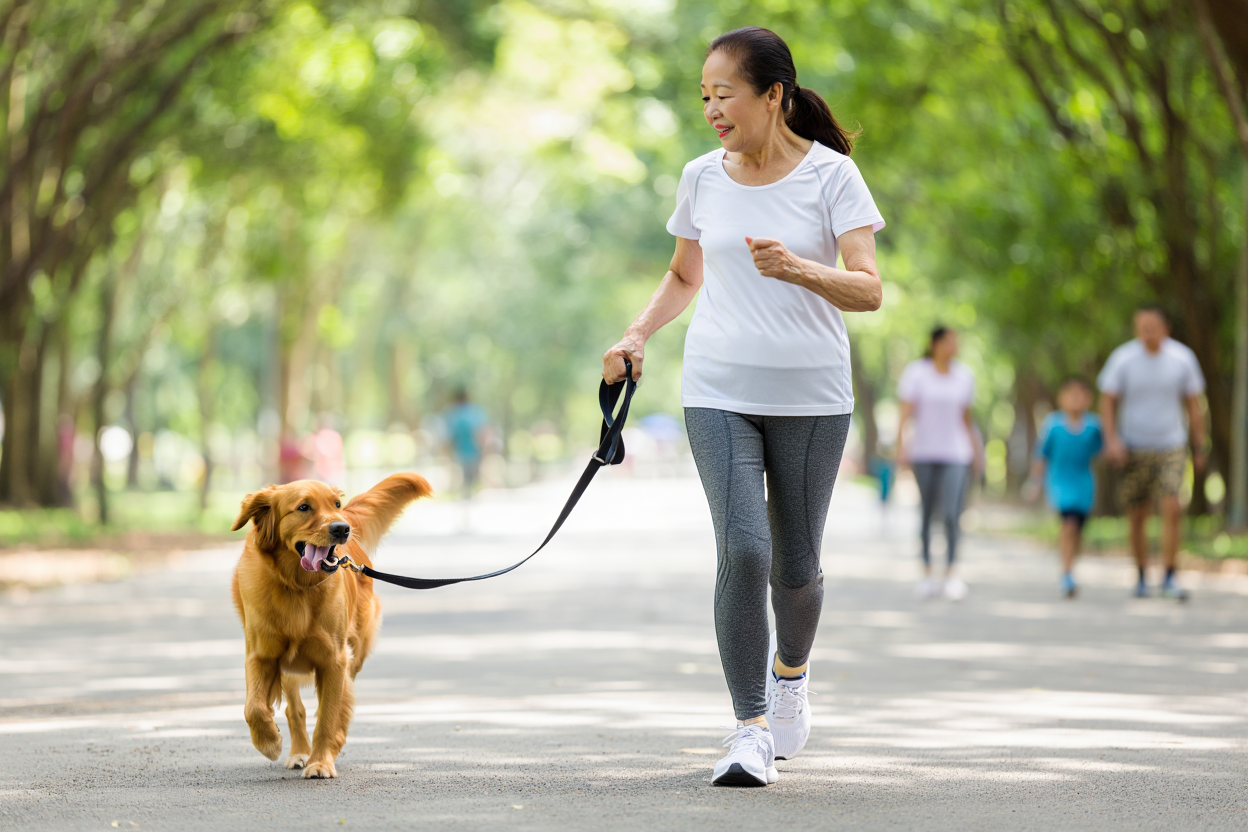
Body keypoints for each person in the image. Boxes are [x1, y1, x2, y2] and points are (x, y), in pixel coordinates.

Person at [602, 27, 884, 787]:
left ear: (774, 95)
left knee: (796, 566)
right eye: (705, 96)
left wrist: (799, 268)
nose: (712, 110)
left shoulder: (832, 176)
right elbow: (683, 274)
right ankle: (750, 728)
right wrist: (636, 334)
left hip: (812, 397)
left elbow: (869, 289)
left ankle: (791, 675)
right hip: (718, 390)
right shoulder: (702, 177)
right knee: (745, 549)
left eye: (724, 94)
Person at [1097, 306, 1206, 600]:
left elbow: (1194, 405)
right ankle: (1142, 575)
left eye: (1152, 327)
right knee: (1137, 514)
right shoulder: (1123, 359)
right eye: (1142, 327)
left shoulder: (1182, 358)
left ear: (1166, 328)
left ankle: (1170, 575)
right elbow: (1107, 401)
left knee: (1173, 507)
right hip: (1133, 445)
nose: (1147, 333)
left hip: (1171, 444)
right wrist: (1112, 441)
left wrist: (1199, 445)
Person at [894, 326, 981, 601]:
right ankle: (927, 574)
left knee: (953, 514)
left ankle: (952, 574)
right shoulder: (916, 373)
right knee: (927, 513)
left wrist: (977, 451)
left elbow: (966, 417)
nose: (954, 346)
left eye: (956, 342)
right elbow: (905, 414)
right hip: (923, 452)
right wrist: (900, 447)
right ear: (934, 344)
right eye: (948, 341)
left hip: (957, 454)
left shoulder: (964, 375)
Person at [1027, 377, 1103, 598]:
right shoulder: (1053, 424)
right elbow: (1041, 455)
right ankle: (1066, 573)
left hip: (1084, 481)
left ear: (1088, 399)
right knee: (1068, 524)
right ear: (1062, 398)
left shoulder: (1094, 426)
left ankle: (1071, 566)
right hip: (1059, 481)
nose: (1076, 399)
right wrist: (1035, 482)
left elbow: (1103, 450)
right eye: (1071, 394)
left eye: (1081, 394)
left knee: (1078, 529)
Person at [444, 389, 489, 500]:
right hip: (473, 449)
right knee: (472, 474)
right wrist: (484, 448)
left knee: (464, 475)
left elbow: (449, 435)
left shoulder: (452, 413)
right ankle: (471, 494)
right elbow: (481, 431)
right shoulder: (475, 412)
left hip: (460, 451)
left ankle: (466, 494)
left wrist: (447, 451)